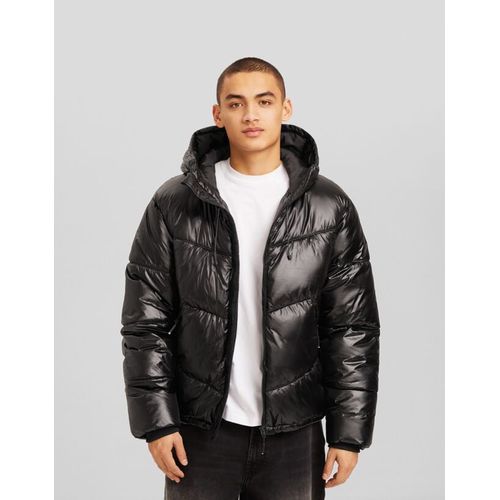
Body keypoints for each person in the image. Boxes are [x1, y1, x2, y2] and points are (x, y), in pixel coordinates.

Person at [120, 57, 380, 500]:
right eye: (236, 103)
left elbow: (351, 327)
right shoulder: (174, 204)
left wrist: (348, 433)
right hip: (201, 430)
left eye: (264, 101)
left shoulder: (328, 206)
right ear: (218, 114)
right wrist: (157, 423)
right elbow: (146, 321)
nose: (251, 115)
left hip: (294, 430)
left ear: (286, 108)